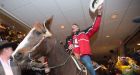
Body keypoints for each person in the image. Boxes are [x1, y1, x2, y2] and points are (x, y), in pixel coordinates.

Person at [64, 2, 103, 75]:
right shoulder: (69, 38)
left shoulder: (84, 33)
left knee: (89, 65)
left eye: (75, 26)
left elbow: (95, 27)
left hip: (83, 55)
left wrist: (99, 13)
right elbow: (65, 48)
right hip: (72, 57)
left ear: (78, 28)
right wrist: (68, 47)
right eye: (72, 27)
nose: (73, 27)